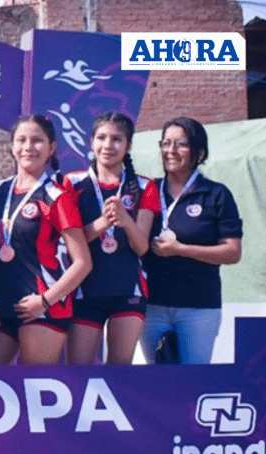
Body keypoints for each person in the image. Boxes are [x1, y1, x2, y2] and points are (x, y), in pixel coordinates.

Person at [0, 114, 92, 365]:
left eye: (37, 140)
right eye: (21, 140)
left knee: (35, 386)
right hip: (2, 308)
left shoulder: (57, 197)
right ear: (12, 146)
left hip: (44, 308)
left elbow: (83, 263)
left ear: (51, 147)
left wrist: (45, 301)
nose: (28, 147)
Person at [141, 117, 242, 364]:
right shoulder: (148, 190)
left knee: (192, 380)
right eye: (166, 143)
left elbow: (232, 252)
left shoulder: (216, 194)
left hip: (198, 307)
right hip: (151, 306)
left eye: (181, 144)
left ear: (200, 152)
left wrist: (181, 249)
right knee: (156, 380)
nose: (171, 150)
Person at [61, 112, 159, 365]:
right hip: (85, 290)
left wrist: (125, 220)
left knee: (119, 371)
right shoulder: (72, 183)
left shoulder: (144, 186)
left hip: (128, 289)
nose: (108, 145)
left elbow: (142, 247)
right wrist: (102, 224)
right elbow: (70, 244)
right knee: (78, 371)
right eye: (102, 138)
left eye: (117, 139)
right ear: (91, 142)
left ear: (128, 146)